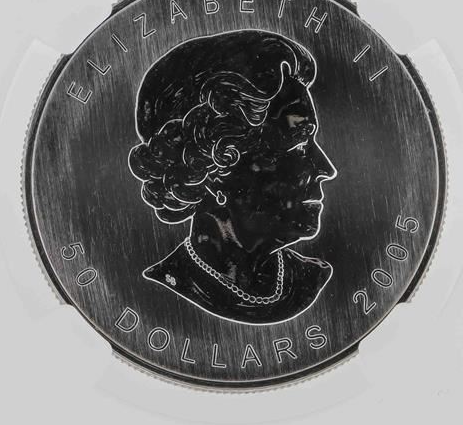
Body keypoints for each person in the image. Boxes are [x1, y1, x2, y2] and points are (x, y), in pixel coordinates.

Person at [128, 30, 336, 324]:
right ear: (213, 169)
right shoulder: (159, 295)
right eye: (299, 144)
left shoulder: (312, 279)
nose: (327, 169)